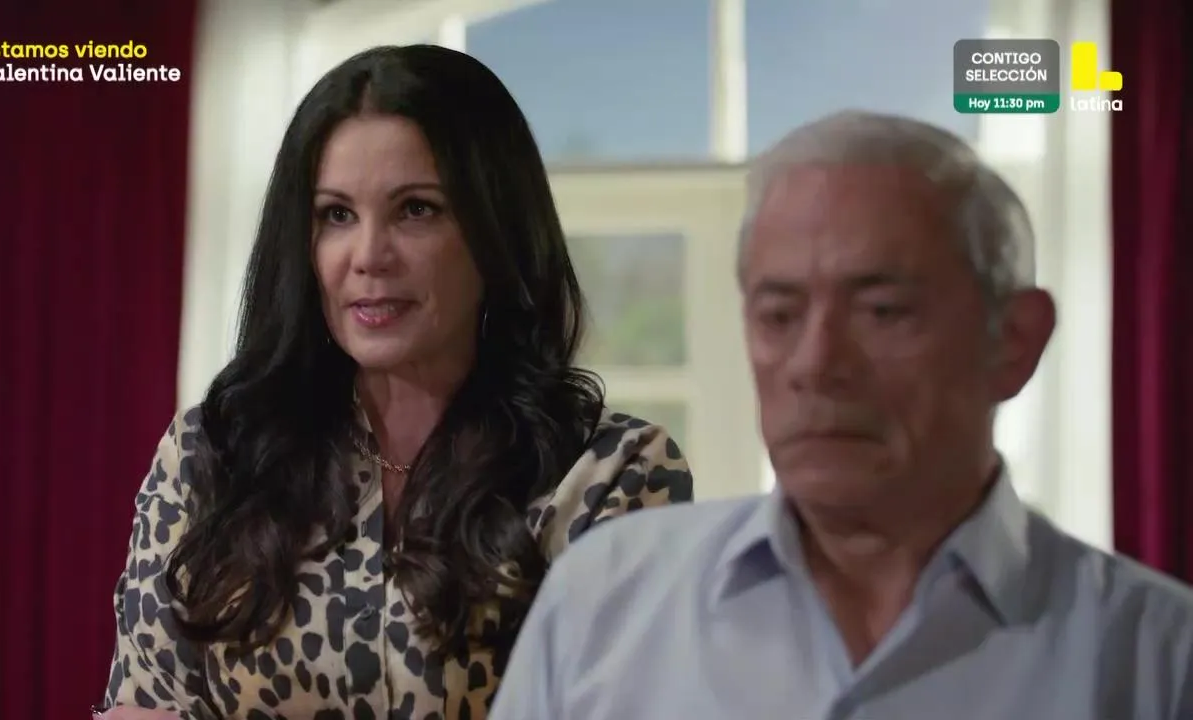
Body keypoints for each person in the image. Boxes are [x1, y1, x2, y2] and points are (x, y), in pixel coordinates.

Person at [489, 111, 1193, 720]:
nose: (816, 363)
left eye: (882, 311)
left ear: (1013, 341)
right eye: (779, 315)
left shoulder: (1156, 656)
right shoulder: (604, 603)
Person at [95, 44, 694, 720]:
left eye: (416, 209)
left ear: (495, 230)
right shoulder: (211, 454)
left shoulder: (611, 474)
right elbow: (142, 707)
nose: (369, 256)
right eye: (336, 215)